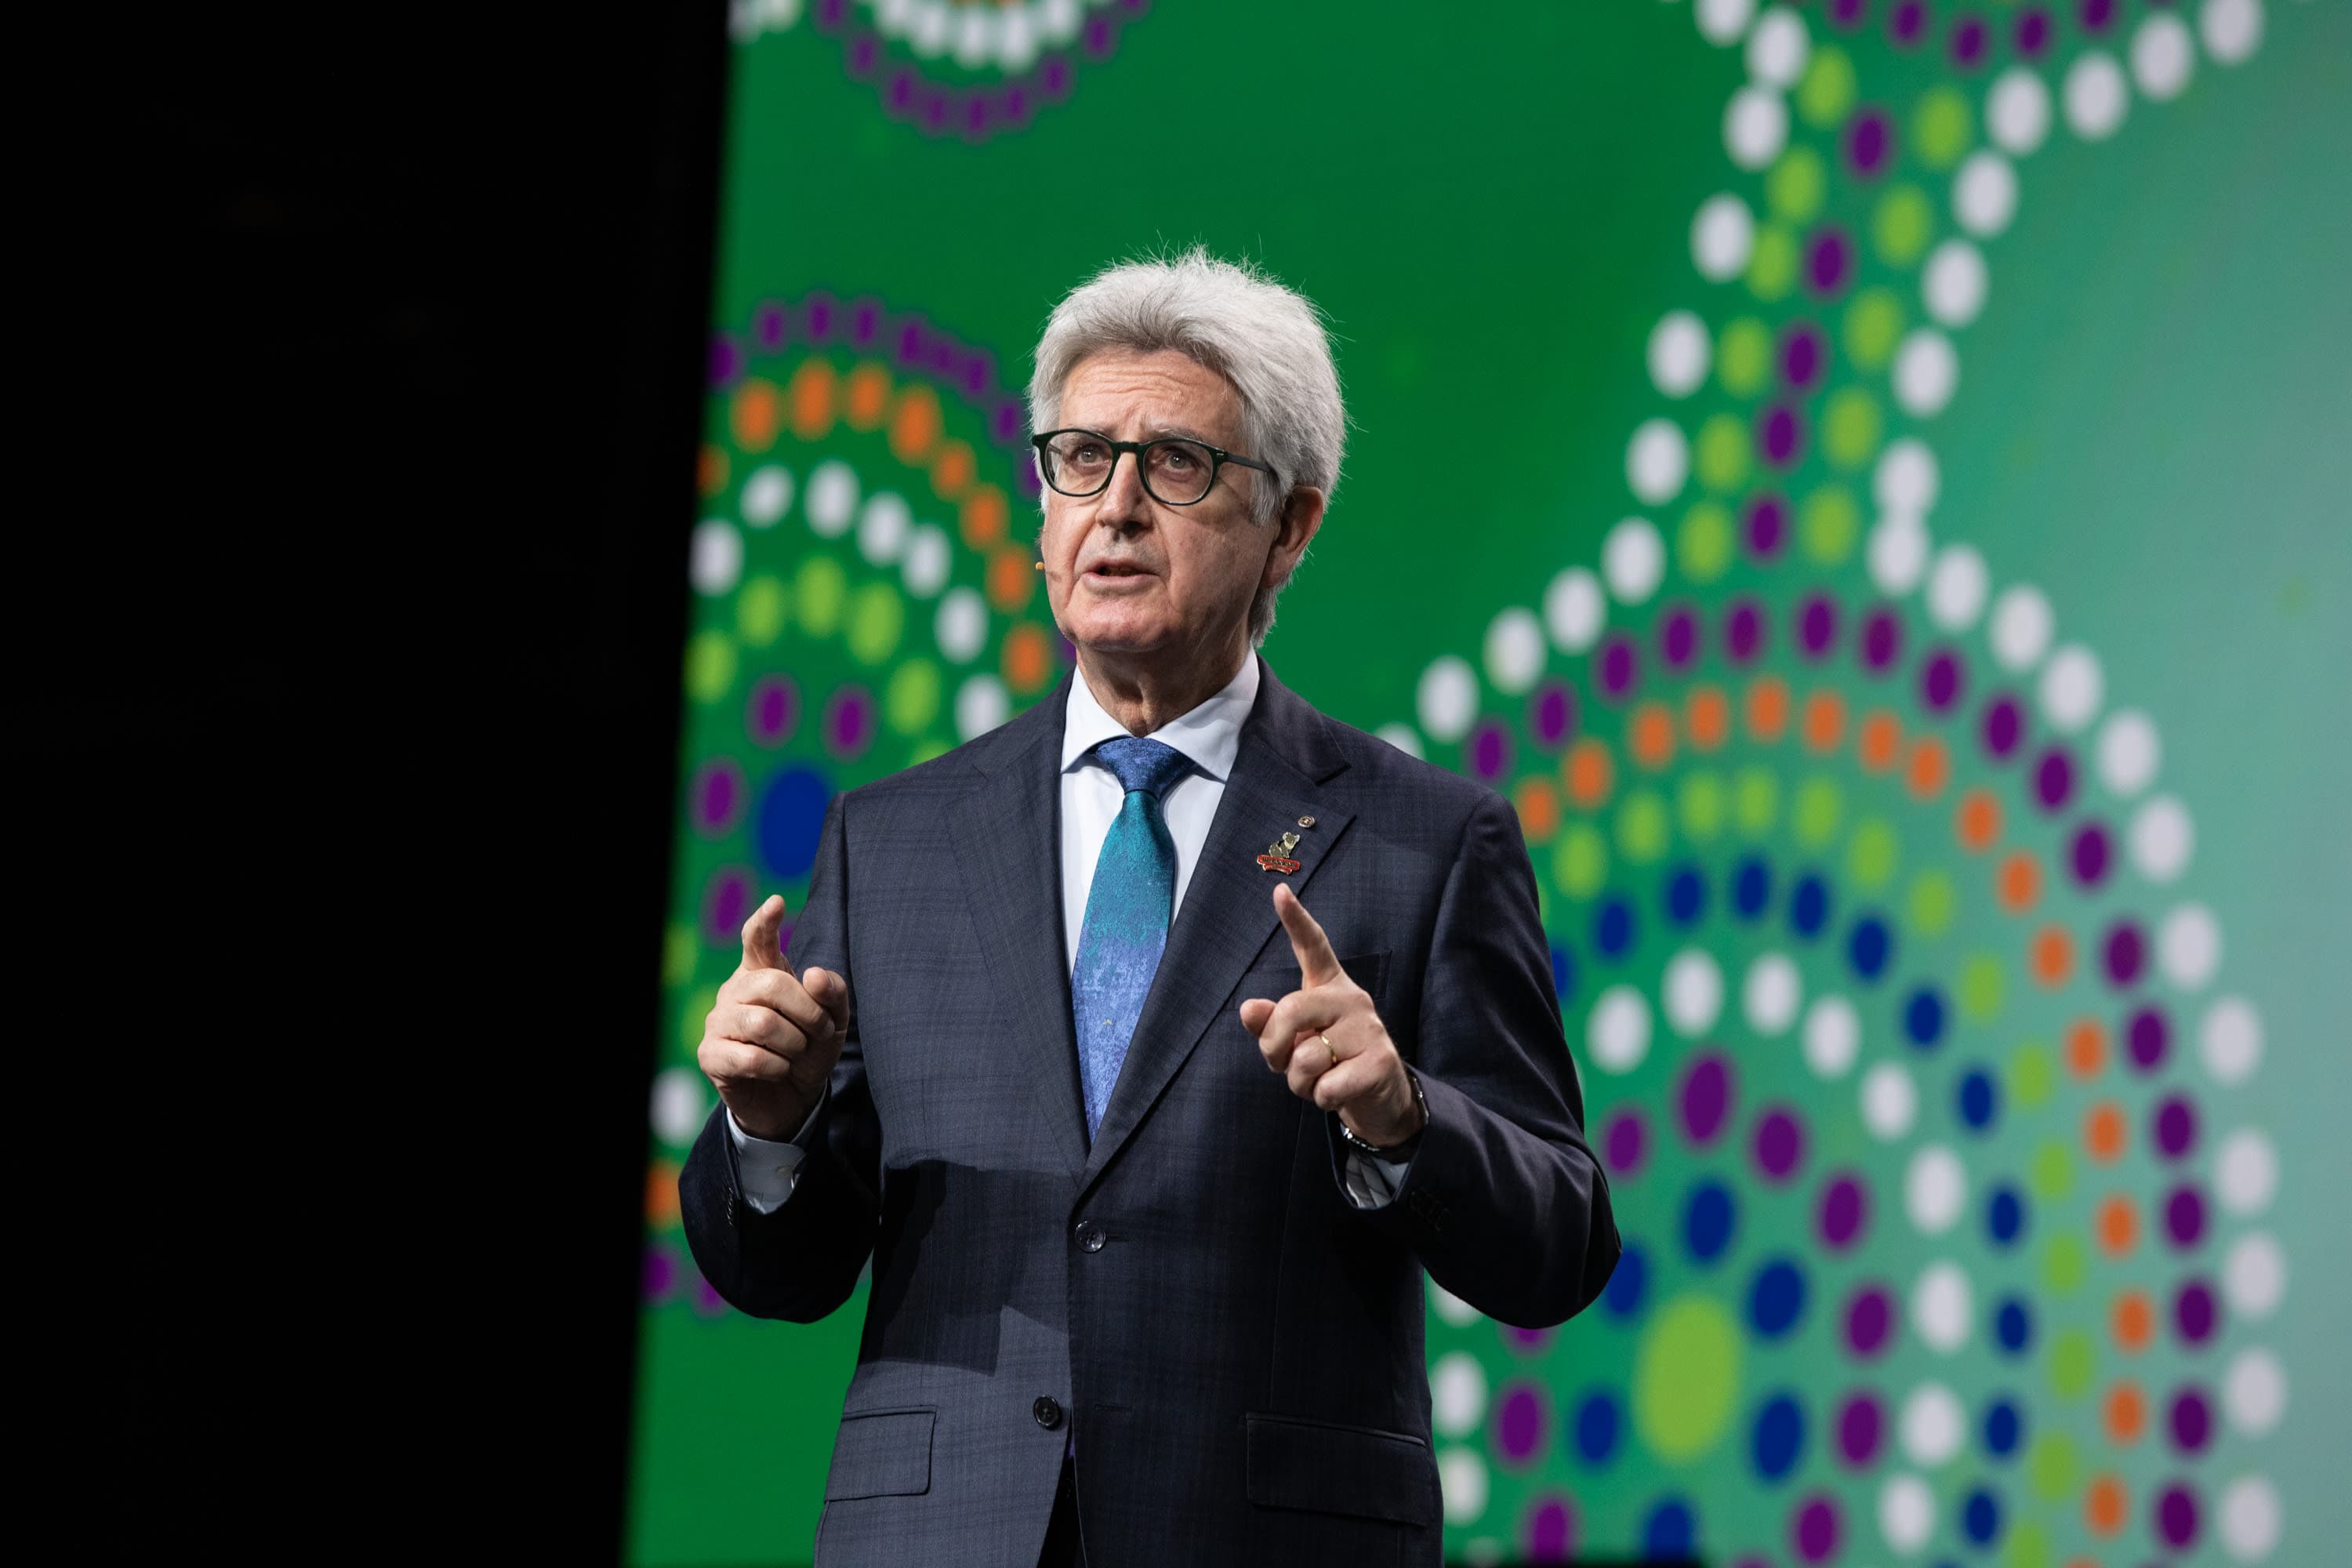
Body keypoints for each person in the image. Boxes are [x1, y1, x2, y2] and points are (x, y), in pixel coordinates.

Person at [682, 249, 1619, 1566]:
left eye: (1175, 465)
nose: (1114, 507)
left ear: (1290, 523)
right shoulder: (892, 840)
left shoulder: (1426, 842)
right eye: (1078, 458)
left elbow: (1562, 1240)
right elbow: (781, 1271)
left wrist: (1408, 1122)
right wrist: (767, 1132)